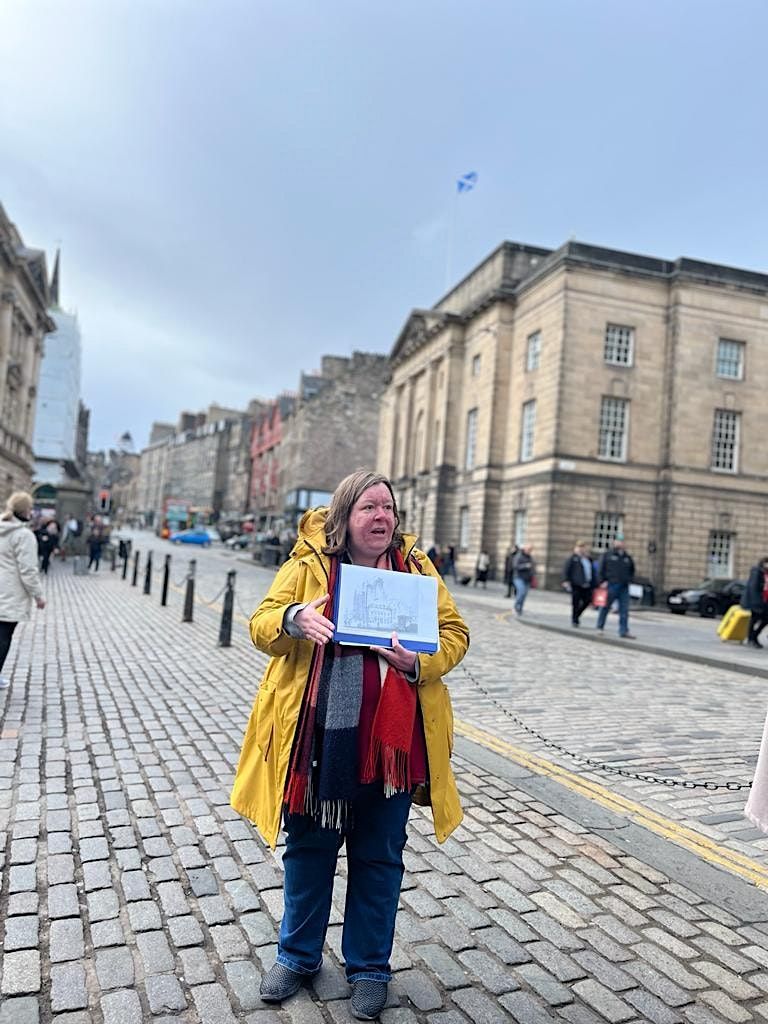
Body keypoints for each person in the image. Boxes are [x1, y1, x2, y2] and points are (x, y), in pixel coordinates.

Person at [230, 470, 469, 1020]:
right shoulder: (310, 563)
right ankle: (297, 955)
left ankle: (369, 967)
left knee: (380, 858)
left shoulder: (417, 567)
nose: (381, 517)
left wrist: (421, 662)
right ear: (345, 515)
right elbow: (261, 623)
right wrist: (294, 618)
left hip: (393, 747)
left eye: (388, 508)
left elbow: (455, 632)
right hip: (320, 744)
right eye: (368, 508)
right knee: (310, 852)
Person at [0, 492, 46, 690]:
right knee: (3, 637)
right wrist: (38, 595)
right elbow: (28, 570)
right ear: (25, 511)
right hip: (10, 593)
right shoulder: (23, 535)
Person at [595, 535, 636, 638]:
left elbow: (632, 570)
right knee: (604, 607)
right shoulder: (607, 555)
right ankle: (600, 627)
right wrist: (602, 581)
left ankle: (623, 630)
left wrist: (629, 580)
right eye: (618, 541)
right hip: (611, 584)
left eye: (622, 541)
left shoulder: (627, 557)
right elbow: (601, 569)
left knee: (624, 609)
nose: (621, 543)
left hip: (623, 586)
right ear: (614, 542)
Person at [562, 540, 595, 626]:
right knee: (575, 602)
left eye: (583, 547)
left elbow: (592, 571)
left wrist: (594, 583)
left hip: (587, 584)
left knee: (587, 600)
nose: (581, 549)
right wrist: (566, 580)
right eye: (579, 547)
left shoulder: (588, 559)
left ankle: (577, 615)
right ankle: (574, 619)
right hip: (576, 584)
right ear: (575, 548)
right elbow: (566, 570)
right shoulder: (572, 558)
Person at [741, 557, 768, 648]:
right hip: (756, 601)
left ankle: (754, 636)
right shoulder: (757, 571)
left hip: (765, 600)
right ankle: (751, 639)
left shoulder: (766, 573)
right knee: (754, 620)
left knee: (765, 620)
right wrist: (757, 603)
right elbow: (753, 588)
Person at [512, 544, 536, 615]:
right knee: (521, 592)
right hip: (518, 578)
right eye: (529, 549)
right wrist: (525, 566)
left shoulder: (530, 557)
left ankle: (520, 608)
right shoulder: (519, 556)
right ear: (525, 549)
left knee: (524, 595)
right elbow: (515, 566)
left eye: (531, 550)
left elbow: (532, 567)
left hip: (527, 579)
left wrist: (533, 574)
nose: (530, 551)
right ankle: (516, 606)